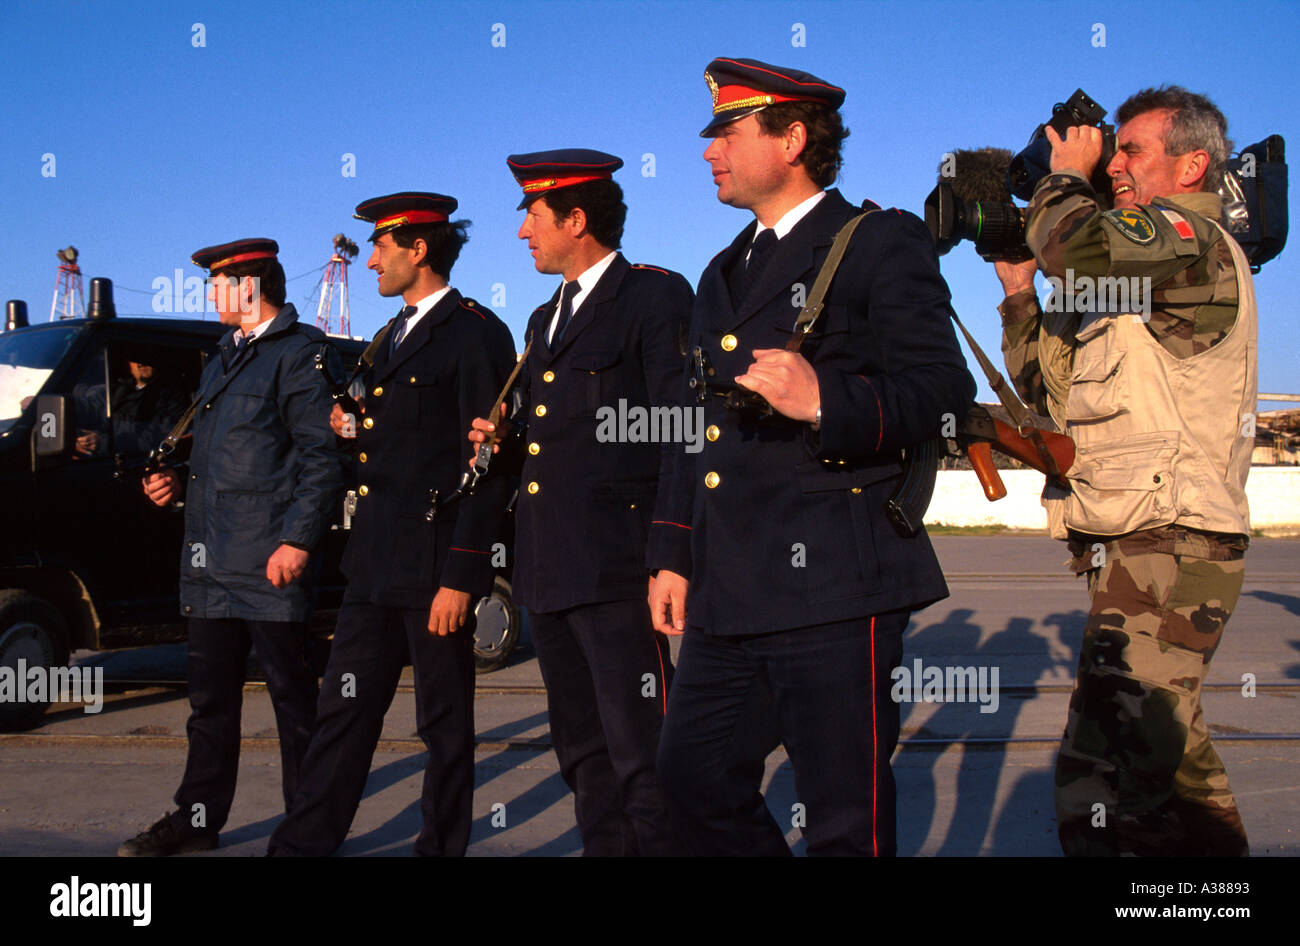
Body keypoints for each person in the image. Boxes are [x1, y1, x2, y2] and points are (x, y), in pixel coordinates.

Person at [648, 57, 976, 856]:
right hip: (729, 588)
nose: (709, 150)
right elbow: (696, 428)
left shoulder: (877, 241)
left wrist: (826, 400)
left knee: (843, 818)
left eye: (728, 131)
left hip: (834, 584)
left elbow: (942, 390)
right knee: (691, 780)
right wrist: (672, 552)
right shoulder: (721, 271)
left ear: (792, 139)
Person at [993, 86, 1256, 856]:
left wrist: (1062, 173)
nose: (1113, 167)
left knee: (1117, 778)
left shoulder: (1192, 238)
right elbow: (1051, 394)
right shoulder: (1132, 283)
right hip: (1133, 549)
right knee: (1158, 769)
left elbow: (1079, 248)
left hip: (1173, 545)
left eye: (1129, 151)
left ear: (1193, 164)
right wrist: (1019, 296)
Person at [268, 193, 515, 856]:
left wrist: (464, 574)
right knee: (340, 714)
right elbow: (390, 444)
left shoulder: (475, 333)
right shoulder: (388, 337)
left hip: (435, 567)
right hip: (374, 562)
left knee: (443, 727)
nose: (372, 259)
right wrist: (349, 429)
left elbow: (489, 466)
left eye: (382, 246)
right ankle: (300, 847)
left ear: (419, 249)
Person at [469, 149, 692, 855]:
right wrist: (505, 440)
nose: (522, 232)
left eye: (532, 216)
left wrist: (671, 554)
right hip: (549, 570)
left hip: (618, 570)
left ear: (575, 219)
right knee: (582, 756)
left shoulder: (652, 298)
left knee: (644, 754)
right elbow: (555, 440)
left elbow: (682, 434)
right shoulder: (544, 319)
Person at [120, 238, 342, 856]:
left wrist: (297, 540)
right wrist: (171, 481)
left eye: (216, 284)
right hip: (211, 562)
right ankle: (196, 822)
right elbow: (222, 454)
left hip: (271, 565)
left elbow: (323, 459)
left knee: (294, 704)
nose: (208, 295)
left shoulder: (301, 355)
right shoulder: (222, 358)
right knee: (208, 706)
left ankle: (307, 833)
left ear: (249, 287)